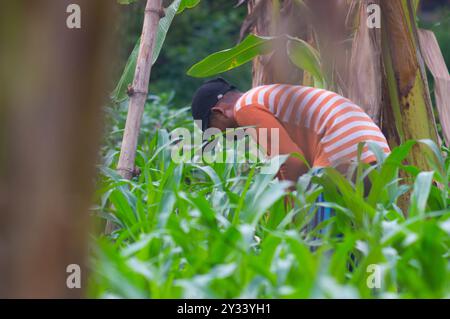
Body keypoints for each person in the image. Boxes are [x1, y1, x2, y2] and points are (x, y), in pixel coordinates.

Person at [191, 78, 391, 232]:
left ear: (218, 112)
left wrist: (295, 214)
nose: (225, 137)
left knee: (320, 249)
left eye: (216, 131)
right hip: (377, 156)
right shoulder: (265, 96)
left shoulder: (245, 108)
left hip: (340, 156)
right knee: (355, 240)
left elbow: (292, 161)